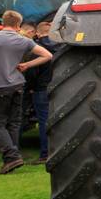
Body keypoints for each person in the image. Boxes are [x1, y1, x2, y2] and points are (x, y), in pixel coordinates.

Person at [0, 10, 52, 174]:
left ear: (3, 22)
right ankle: (12, 158)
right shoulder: (23, 40)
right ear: (18, 24)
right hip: (18, 86)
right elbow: (47, 55)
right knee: (14, 123)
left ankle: (11, 156)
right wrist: (26, 65)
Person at [29, 19, 58, 164]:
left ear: (37, 33)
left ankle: (45, 154)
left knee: (44, 122)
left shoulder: (37, 49)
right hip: (61, 88)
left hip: (41, 90)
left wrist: (31, 87)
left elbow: (33, 72)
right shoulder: (64, 47)